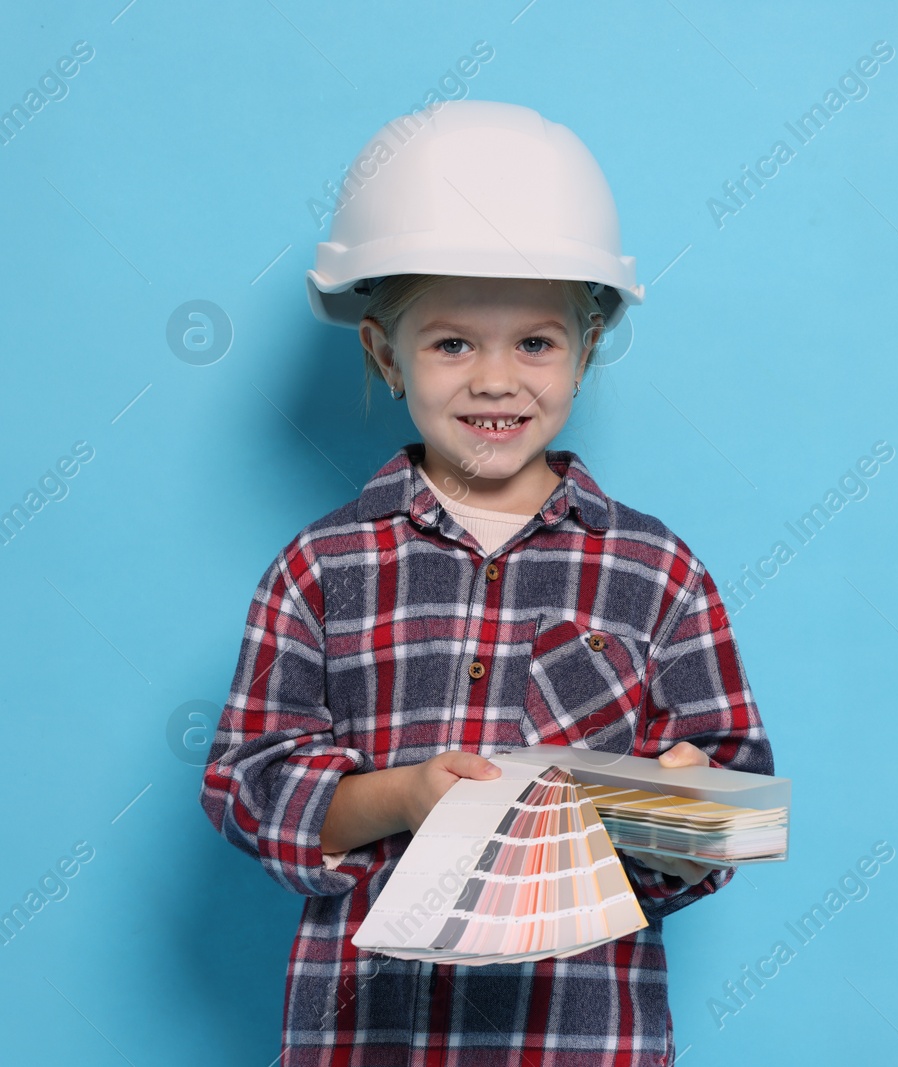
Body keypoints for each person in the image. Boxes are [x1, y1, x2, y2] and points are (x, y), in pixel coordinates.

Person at [199, 100, 774, 1066]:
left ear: (588, 352)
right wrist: (403, 797)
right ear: (385, 353)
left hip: (581, 1034)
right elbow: (249, 780)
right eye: (452, 343)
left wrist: (682, 802)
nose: (496, 380)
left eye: (536, 343)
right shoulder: (320, 568)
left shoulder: (657, 570)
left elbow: (730, 792)